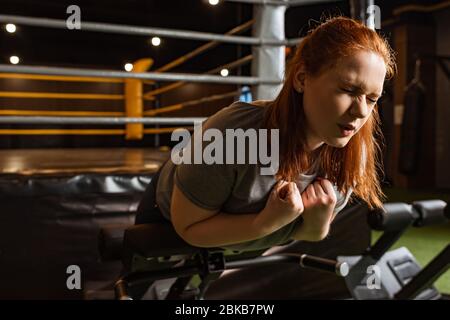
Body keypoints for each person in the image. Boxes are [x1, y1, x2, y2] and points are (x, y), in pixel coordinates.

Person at [135, 16, 396, 253]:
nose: (361, 111)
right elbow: (189, 228)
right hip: (168, 218)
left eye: (372, 99)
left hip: (240, 243)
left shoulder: (351, 152)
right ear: (302, 79)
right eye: (348, 90)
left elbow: (311, 234)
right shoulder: (234, 132)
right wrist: (265, 222)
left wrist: (317, 223)